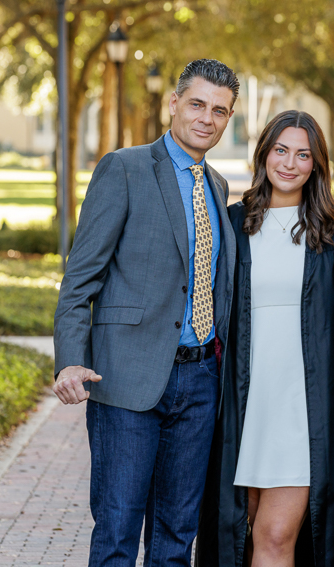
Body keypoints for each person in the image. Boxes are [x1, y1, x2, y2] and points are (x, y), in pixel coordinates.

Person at [52, 59, 239, 566]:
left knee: (177, 537)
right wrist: (69, 359)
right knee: (116, 531)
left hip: (200, 383)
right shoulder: (125, 168)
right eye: (197, 104)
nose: (207, 118)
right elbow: (79, 280)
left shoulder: (219, 187)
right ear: (173, 104)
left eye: (220, 111)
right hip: (127, 379)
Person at [196, 110, 334, 567]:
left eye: (303, 154)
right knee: (242, 532)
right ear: (264, 153)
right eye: (281, 150)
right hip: (243, 401)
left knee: (273, 535)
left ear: (317, 164)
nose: (290, 163)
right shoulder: (232, 223)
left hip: (304, 404)